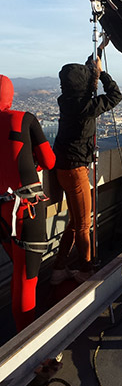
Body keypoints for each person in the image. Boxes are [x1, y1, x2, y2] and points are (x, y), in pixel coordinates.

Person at [52, 51, 122, 285]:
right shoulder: (85, 107)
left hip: (63, 167)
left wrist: (91, 72)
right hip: (76, 169)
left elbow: (82, 87)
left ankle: (59, 268)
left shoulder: (68, 101)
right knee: (84, 225)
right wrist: (102, 75)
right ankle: (85, 270)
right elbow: (115, 96)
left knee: (74, 223)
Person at [0, 75, 56, 331]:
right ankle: (25, 344)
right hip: (25, 209)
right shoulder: (23, 119)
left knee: (17, 270)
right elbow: (49, 162)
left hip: (2, 210)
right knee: (26, 278)